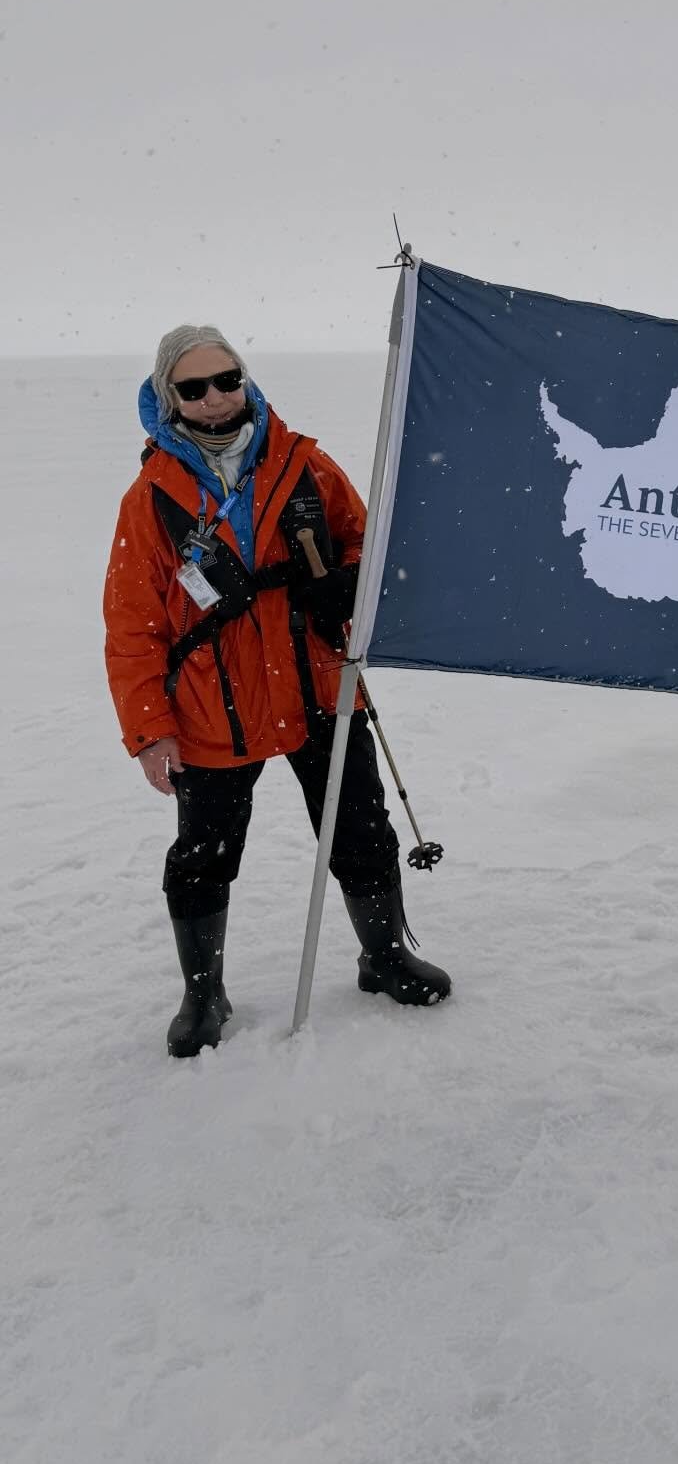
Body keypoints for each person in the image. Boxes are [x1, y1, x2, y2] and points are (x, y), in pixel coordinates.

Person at [103, 325, 451, 1056]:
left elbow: (364, 540)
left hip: (322, 683)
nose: (215, 397)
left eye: (226, 378)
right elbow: (132, 624)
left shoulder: (304, 465)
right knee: (204, 852)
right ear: (170, 397)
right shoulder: (151, 498)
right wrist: (149, 729)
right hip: (211, 708)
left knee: (360, 826)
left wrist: (346, 586)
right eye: (193, 387)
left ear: (244, 377)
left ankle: (382, 956)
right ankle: (205, 993)